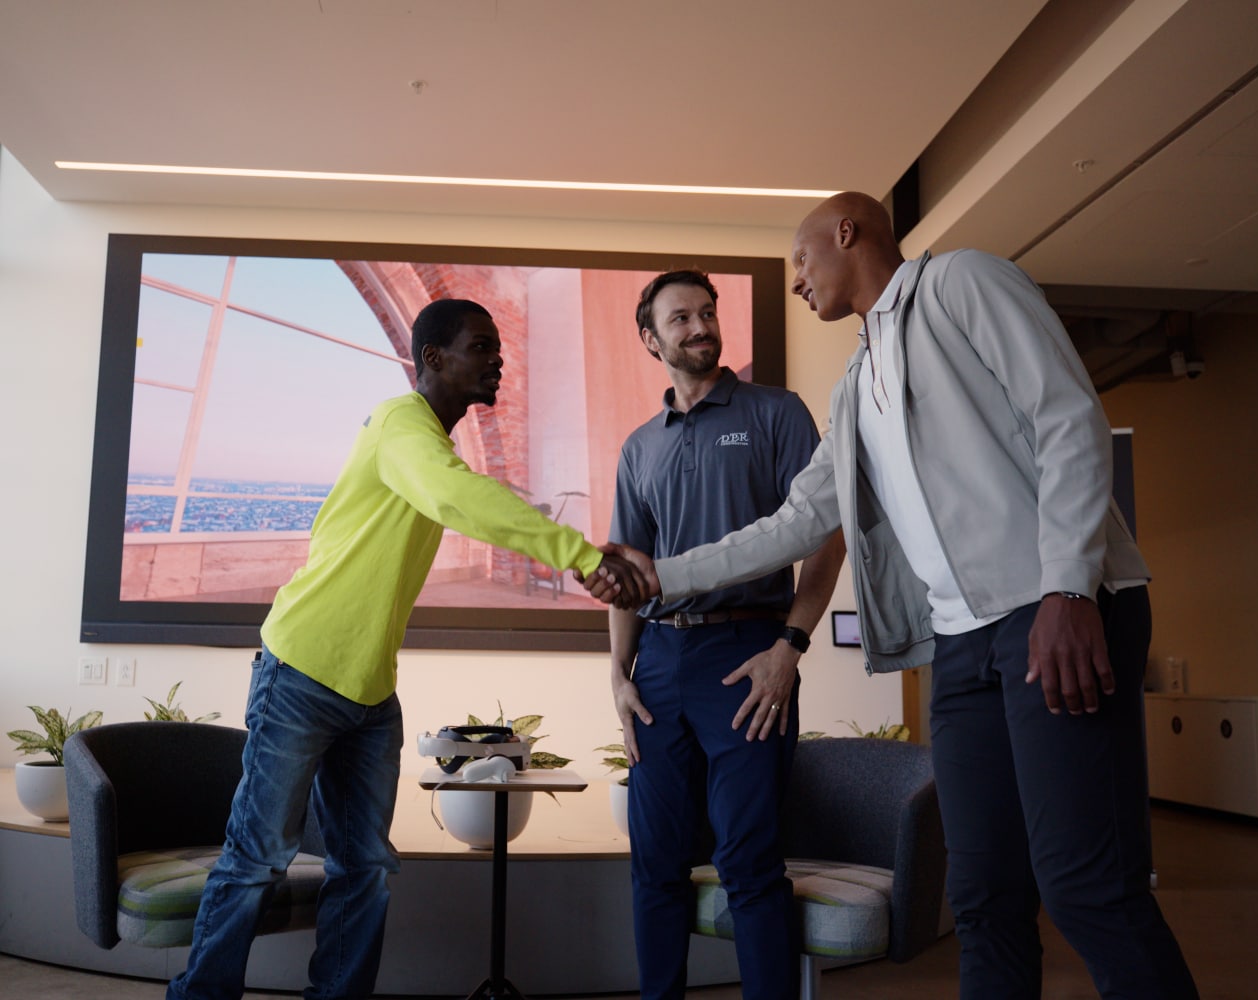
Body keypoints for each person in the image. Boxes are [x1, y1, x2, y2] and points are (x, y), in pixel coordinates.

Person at [588, 195, 1199, 999]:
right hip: (963, 643)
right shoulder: (855, 385)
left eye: (802, 259)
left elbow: (1069, 418)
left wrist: (1067, 588)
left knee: (1087, 890)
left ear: (849, 232)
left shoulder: (962, 285)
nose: (799, 282)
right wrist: (663, 576)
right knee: (981, 898)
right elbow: (796, 522)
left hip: (1053, 608)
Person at [166, 298, 643, 1000]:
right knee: (257, 859)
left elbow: (457, 491)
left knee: (366, 868)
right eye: (481, 347)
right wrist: (576, 553)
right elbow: (456, 497)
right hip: (299, 673)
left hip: (368, 696)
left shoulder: (431, 445)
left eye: (497, 349)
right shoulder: (401, 425)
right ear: (433, 358)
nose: (497, 360)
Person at [602, 269, 844, 1000]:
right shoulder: (639, 447)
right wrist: (619, 675)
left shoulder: (776, 413)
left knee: (748, 859)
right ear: (651, 339)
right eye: (681, 319)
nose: (701, 327)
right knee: (655, 863)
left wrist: (788, 650)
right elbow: (625, 573)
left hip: (748, 656)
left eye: (707, 313)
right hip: (661, 666)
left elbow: (826, 534)